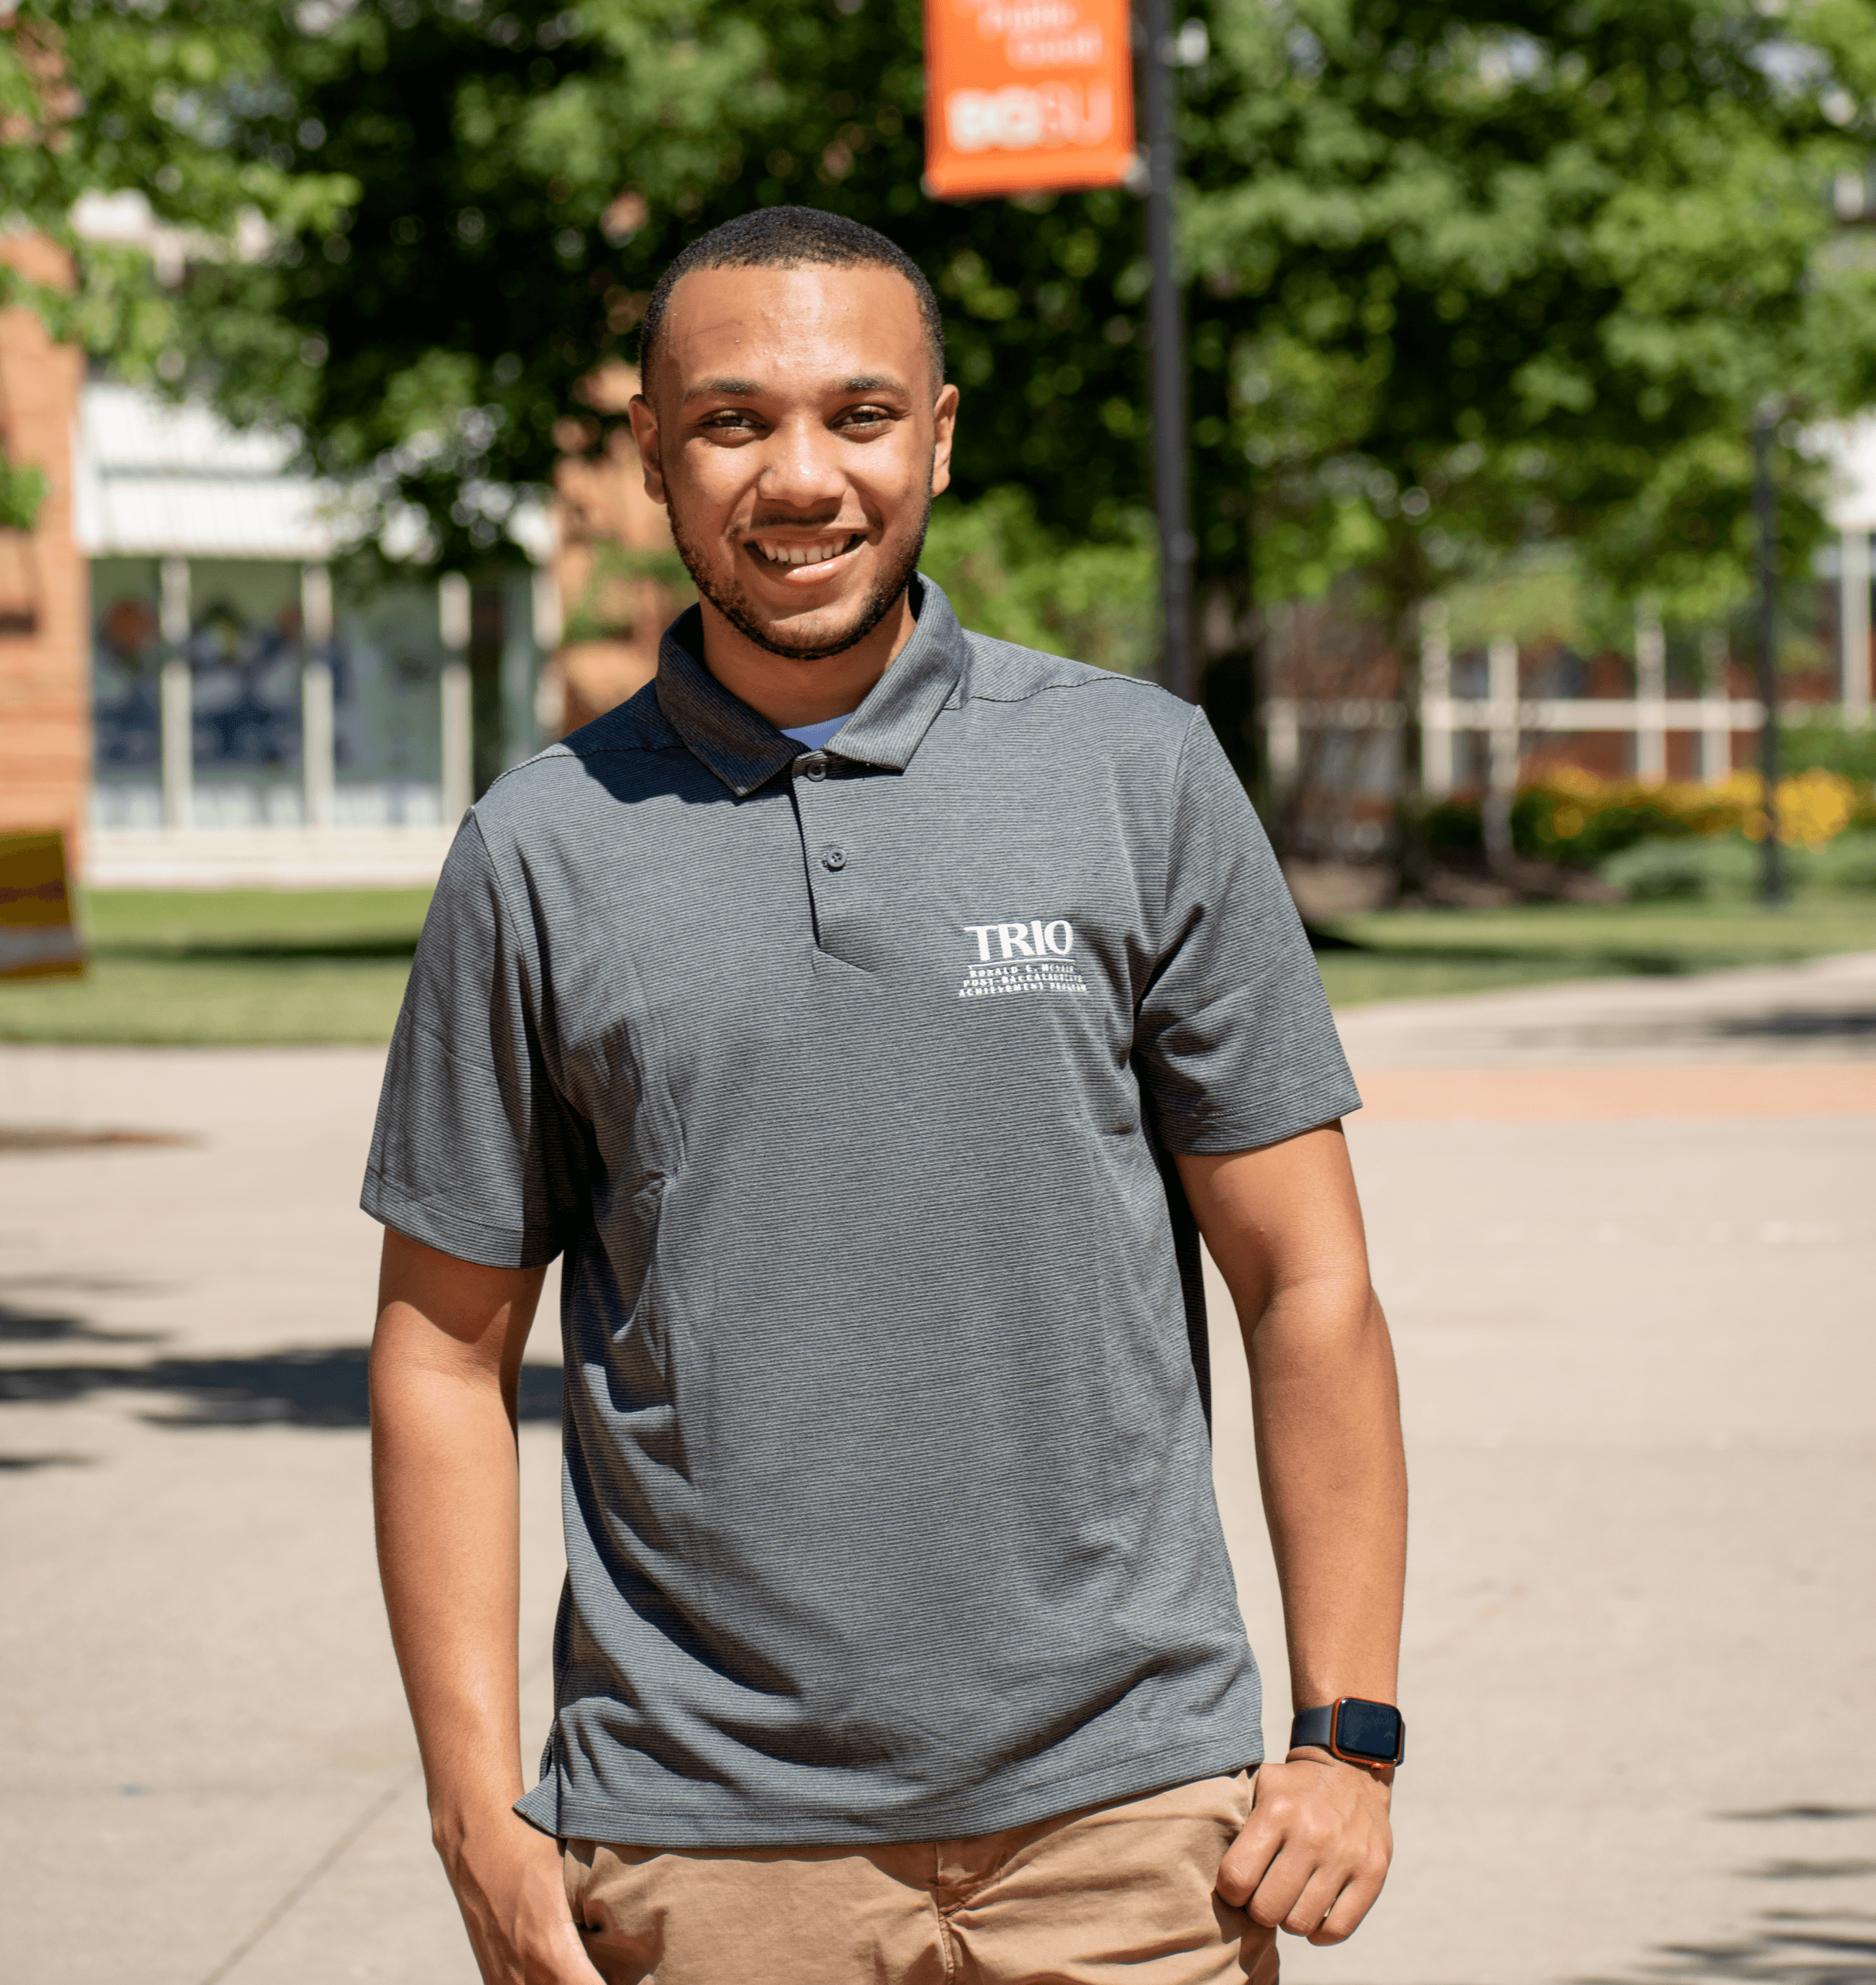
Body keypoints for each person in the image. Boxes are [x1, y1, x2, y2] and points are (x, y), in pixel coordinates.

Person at [365, 205, 1407, 1985]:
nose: (798, 477)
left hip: (1132, 1825)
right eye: (730, 420)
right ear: (649, 451)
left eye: (857, 415)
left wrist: (1346, 1726)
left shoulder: (1133, 773)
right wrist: (477, 1809)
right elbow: (441, 1350)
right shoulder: (537, 849)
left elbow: (1303, 1279)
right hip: (701, 1842)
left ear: (937, 430)